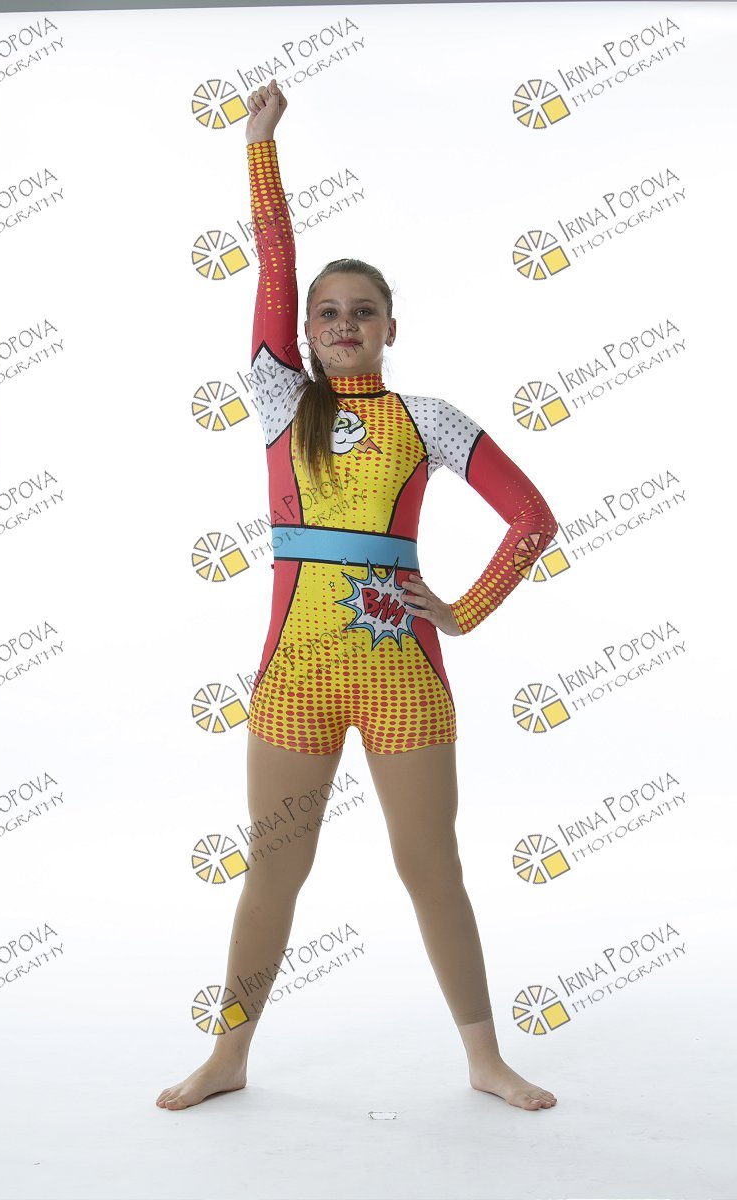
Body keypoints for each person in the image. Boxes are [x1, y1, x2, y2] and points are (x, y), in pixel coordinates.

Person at [157, 79, 559, 1113]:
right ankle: (228, 1057)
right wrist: (259, 145)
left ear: (390, 327)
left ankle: (485, 1060)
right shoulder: (277, 399)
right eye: (326, 313)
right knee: (272, 872)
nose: (342, 323)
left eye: (361, 312)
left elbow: (532, 520)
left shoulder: (428, 418)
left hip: (403, 683)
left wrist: (462, 611)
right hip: (293, 679)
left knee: (432, 870)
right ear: (305, 327)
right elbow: (274, 256)